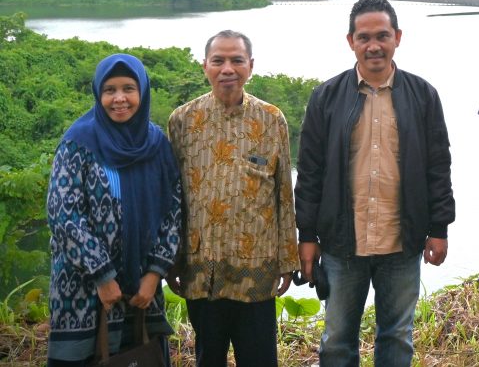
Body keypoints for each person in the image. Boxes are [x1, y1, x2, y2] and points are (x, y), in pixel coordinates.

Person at [294, 0, 455, 367]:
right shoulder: (326, 97)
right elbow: (311, 172)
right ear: (350, 41)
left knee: (397, 336)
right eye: (364, 37)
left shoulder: (423, 95)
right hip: (341, 244)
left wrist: (439, 227)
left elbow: (438, 166)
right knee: (336, 340)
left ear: (398, 37)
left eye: (382, 35)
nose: (373, 45)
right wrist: (306, 236)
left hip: (402, 241)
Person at [166, 30, 299, 367]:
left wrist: (288, 258)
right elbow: (173, 197)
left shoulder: (271, 120)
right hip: (202, 269)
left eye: (237, 60)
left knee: (259, 359)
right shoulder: (183, 120)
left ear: (250, 66)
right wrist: (172, 259)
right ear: (205, 66)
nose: (228, 68)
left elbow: (284, 193)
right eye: (219, 61)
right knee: (209, 357)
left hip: (256, 268)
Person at [47, 53, 182, 367]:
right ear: (98, 93)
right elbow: (64, 215)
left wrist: (154, 274)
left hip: (141, 289)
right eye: (109, 90)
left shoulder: (157, 144)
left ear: (142, 92)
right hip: (82, 290)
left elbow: (173, 212)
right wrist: (102, 277)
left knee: (140, 357)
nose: (119, 98)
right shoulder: (78, 143)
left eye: (128, 89)